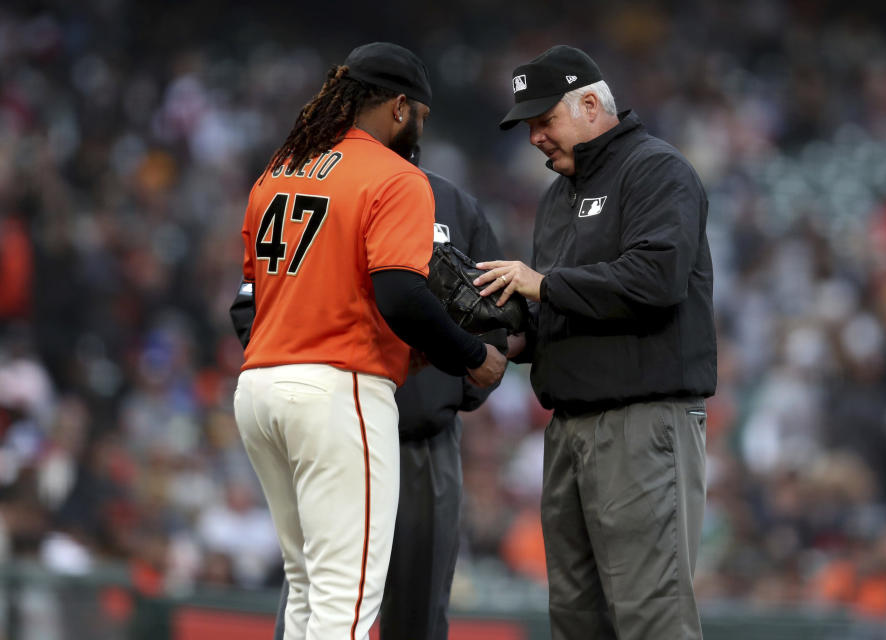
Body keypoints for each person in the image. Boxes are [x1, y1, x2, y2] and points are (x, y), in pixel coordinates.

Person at [232, 42, 505, 640]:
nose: (419, 133)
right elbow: (402, 297)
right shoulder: (395, 176)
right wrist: (471, 355)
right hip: (338, 388)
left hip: (260, 390)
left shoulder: (278, 171)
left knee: (304, 585)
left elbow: (248, 299)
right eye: (421, 118)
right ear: (399, 107)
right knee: (345, 600)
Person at [475, 45, 717, 639]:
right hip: (569, 429)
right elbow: (561, 305)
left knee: (650, 618)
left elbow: (656, 278)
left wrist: (544, 284)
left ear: (590, 104)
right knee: (577, 620)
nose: (533, 137)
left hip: (641, 421)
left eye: (543, 120)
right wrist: (510, 334)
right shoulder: (558, 197)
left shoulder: (656, 169)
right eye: (527, 125)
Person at [268, 155, 506, 640]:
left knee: (416, 613)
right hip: (336, 433)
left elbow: (496, 333)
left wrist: (442, 389)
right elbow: (251, 307)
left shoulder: (454, 205)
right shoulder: (318, 192)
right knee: (320, 602)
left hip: (421, 441)